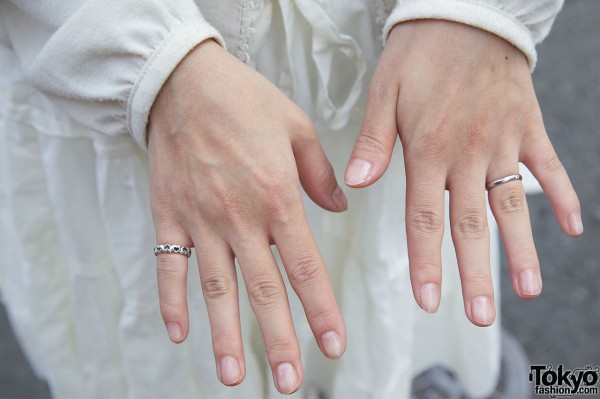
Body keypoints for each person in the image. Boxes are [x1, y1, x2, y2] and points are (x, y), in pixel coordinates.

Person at [0, 0, 582, 398]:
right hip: (152, 94)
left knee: (396, 305)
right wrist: (156, 70)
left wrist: (474, 15)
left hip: (406, 60)